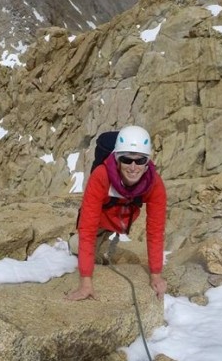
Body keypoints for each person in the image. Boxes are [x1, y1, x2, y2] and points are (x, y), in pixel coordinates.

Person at [66, 125, 167, 301]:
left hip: (120, 221)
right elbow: (88, 229)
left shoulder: (154, 184)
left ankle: (104, 241)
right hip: (99, 221)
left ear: (147, 162)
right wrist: (86, 282)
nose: (133, 167)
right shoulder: (101, 176)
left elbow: (155, 231)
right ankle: (78, 240)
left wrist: (156, 275)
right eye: (127, 160)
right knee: (77, 244)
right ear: (117, 159)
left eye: (140, 160)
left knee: (100, 248)